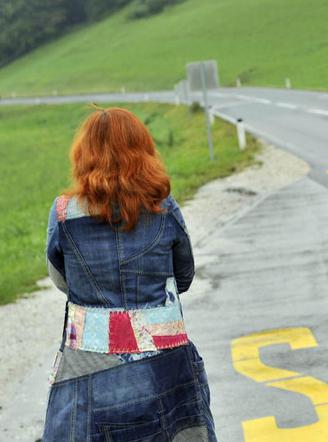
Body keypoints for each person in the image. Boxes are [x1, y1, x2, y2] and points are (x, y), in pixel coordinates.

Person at [43, 106, 216, 441]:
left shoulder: (63, 213)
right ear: (143, 151)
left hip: (88, 366)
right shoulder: (164, 206)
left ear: (84, 155)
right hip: (165, 365)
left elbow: (62, 280)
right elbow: (183, 278)